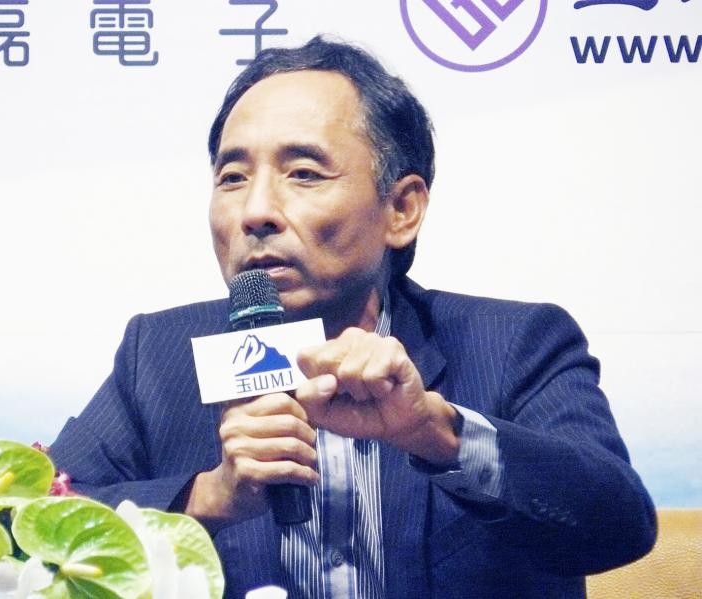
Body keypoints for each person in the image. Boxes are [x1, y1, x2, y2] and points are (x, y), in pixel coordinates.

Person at [50, 36, 656, 598]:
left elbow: (619, 525)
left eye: (304, 174)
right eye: (232, 178)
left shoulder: (515, 344)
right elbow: (22, 522)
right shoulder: (159, 356)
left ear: (402, 209)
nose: (255, 211)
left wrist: (435, 433)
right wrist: (207, 496)